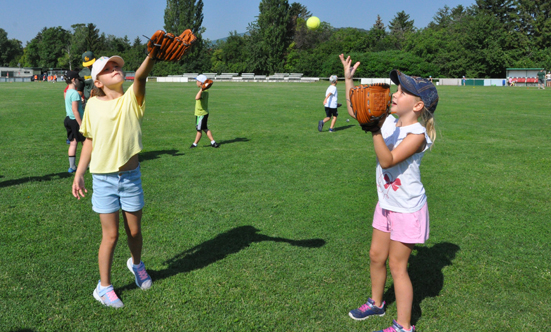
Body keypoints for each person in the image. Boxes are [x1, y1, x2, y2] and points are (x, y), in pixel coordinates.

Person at [340, 54, 438, 332]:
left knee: (398, 266)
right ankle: (376, 302)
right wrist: (349, 80)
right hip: (386, 203)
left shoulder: (417, 134)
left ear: (418, 105)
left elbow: (387, 160)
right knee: (375, 255)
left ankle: (404, 326)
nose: (395, 95)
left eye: (402, 92)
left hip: (407, 209)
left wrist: (373, 130)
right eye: (396, 89)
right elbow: (354, 110)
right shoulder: (389, 122)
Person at [72, 54, 156, 308]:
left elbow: (140, 76)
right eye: (107, 69)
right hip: (103, 179)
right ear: (97, 81)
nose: (114, 70)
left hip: (130, 178)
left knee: (134, 231)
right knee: (111, 236)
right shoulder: (93, 106)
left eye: (116, 66)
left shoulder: (132, 98)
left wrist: (152, 56)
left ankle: (136, 265)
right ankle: (104, 287)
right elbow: (89, 141)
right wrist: (79, 173)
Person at [190, 74, 220, 148]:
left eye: (197, 81)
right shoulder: (205, 90)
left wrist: (201, 89)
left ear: (200, 83)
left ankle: (195, 144)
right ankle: (213, 142)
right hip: (203, 113)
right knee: (204, 128)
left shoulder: (203, 91)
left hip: (201, 113)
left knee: (200, 129)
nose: (196, 82)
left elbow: (196, 98)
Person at [64, 71, 86, 172]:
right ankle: (88, 164)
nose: (79, 82)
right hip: (75, 121)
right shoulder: (75, 93)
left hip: (68, 119)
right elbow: (75, 110)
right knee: (86, 143)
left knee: (73, 143)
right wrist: (81, 124)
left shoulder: (68, 91)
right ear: (73, 80)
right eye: (78, 80)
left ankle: (72, 167)